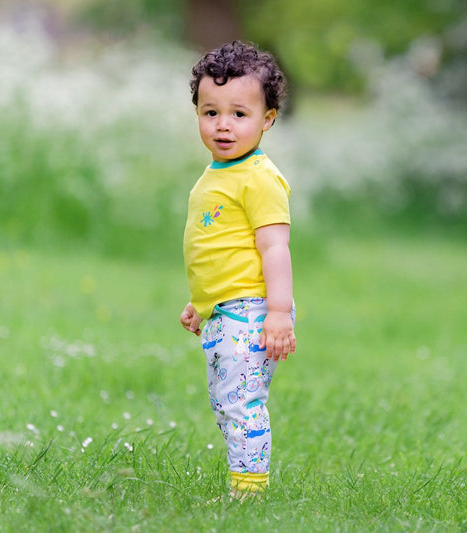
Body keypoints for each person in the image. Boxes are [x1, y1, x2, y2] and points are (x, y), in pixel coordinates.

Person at [180, 40, 296, 500]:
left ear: (267, 119)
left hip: (253, 310)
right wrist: (201, 302)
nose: (223, 125)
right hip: (226, 309)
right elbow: (222, 250)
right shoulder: (217, 174)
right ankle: (245, 481)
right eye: (211, 112)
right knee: (225, 402)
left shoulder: (259, 178)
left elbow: (274, 248)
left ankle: (249, 491)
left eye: (239, 114)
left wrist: (279, 312)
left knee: (241, 403)